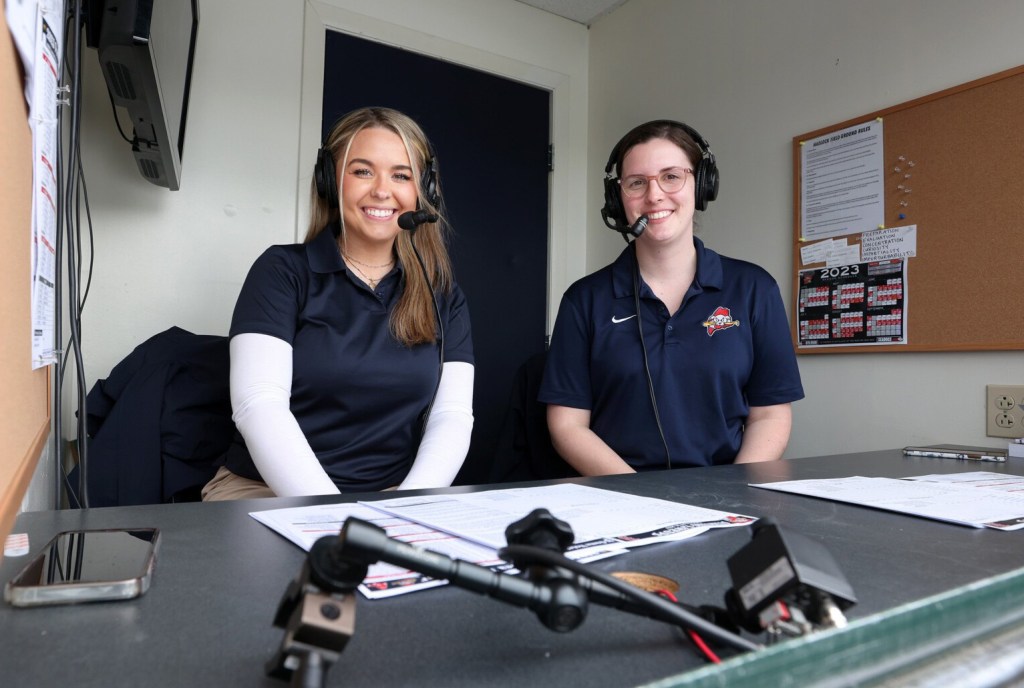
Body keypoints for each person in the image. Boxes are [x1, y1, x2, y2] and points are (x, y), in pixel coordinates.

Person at [202, 107, 474, 500]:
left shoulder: (443, 294)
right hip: (265, 489)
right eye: (362, 171)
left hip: (390, 494)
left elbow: (452, 416)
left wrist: (408, 506)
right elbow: (258, 404)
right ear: (330, 181)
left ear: (424, 191)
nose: (383, 190)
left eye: (401, 175)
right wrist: (333, 515)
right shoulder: (282, 272)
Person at [539, 119, 803, 476]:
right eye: (636, 183)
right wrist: (639, 497)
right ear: (619, 200)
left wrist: (738, 494)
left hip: (727, 498)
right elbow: (568, 426)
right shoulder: (584, 300)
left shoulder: (754, 289)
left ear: (702, 185)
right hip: (619, 499)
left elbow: (770, 414)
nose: (654, 195)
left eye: (671, 176)